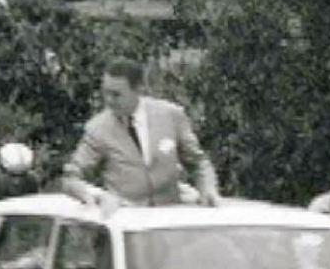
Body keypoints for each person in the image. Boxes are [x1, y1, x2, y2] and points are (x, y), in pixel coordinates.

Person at [61, 58, 220, 213]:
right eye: (106, 93)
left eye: (116, 95)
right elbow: (72, 176)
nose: (109, 101)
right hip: (127, 223)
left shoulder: (171, 116)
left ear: (139, 89)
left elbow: (198, 162)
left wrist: (208, 188)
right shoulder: (98, 129)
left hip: (170, 220)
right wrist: (96, 196)